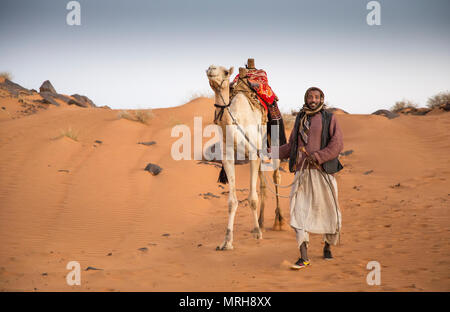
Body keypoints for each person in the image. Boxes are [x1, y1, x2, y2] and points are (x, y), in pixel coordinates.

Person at [270, 87, 344, 269]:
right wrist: (269, 152)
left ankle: (327, 246)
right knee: (297, 211)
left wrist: (318, 156)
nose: (313, 99)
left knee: (330, 212)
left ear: (321, 99)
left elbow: (337, 144)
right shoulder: (300, 119)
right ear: (306, 98)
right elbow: (291, 146)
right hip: (302, 173)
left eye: (316, 97)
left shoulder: (329, 118)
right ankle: (304, 256)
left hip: (322, 172)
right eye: (310, 97)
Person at [230, 58, 287, 147]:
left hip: (257, 93)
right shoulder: (239, 75)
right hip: (240, 93)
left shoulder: (261, 72)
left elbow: (263, 83)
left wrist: (251, 83)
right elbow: (233, 84)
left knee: (273, 111)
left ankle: (278, 147)